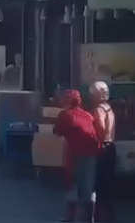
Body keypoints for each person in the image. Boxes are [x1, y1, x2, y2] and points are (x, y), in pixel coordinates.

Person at [52, 89, 100, 222]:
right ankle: (89, 218)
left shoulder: (65, 115)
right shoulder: (87, 115)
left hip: (75, 153)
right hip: (92, 153)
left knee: (72, 183)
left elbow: (57, 132)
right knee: (88, 188)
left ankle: (70, 218)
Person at [91, 81, 116, 222]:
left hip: (103, 147)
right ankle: (110, 217)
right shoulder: (109, 108)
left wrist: (97, 136)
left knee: (100, 185)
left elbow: (100, 126)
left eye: (93, 94)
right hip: (112, 146)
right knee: (109, 184)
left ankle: (101, 218)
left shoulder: (99, 109)